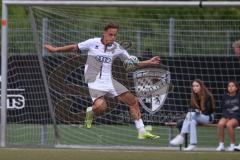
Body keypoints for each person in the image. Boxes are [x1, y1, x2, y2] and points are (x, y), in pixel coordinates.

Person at [45, 22, 160, 140]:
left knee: (133, 101)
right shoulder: (92, 43)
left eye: (115, 35)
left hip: (109, 80)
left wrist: (149, 62)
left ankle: (141, 131)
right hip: (94, 80)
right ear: (104, 33)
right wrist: (55, 50)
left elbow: (131, 64)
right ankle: (91, 111)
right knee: (101, 107)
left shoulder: (118, 48)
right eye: (110, 34)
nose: (113, 37)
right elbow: (74, 47)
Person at [170, 79, 215, 151]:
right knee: (192, 122)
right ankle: (193, 145)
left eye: (197, 86)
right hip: (196, 117)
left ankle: (181, 136)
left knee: (191, 115)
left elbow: (211, 110)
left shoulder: (208, 96)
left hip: (208, 117)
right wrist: (195, 111)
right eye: (193, 86)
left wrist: (200, 112)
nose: (195, 88)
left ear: (201, 87)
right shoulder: (194, 96)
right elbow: (190, 109)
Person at [216, 80, 240, 151]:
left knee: (229, 124)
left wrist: (232, 117)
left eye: (232, 86)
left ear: (236, 88)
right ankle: (221, 145)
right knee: (220, 124)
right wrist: (226, 117)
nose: (230, 87)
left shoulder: (239, 96)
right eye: (229, 86)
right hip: (227, 116)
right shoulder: (225, 96)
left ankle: (232, 145)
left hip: (237, 117)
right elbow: (223, 109)